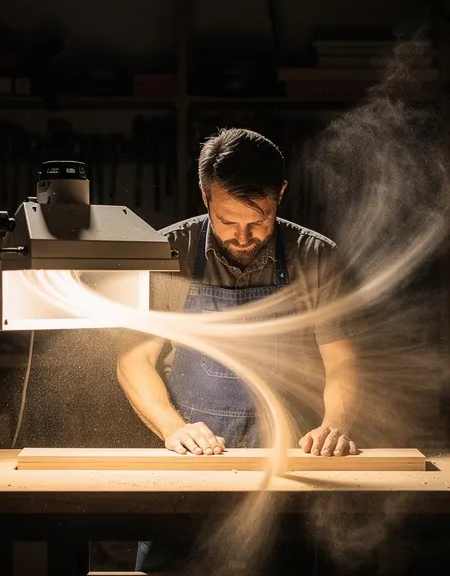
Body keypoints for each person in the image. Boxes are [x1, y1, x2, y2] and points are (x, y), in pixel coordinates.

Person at [116, 128, 359, 570]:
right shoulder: (167, 251)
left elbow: (342, 360)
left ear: (280, 194)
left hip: (288, 478)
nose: (243, 235)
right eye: (227, 222)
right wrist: (173, 428)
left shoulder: (315, 258)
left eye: (258, 220)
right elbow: (134, 358)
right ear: (205, 195)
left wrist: (336, 424)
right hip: (191, 475)